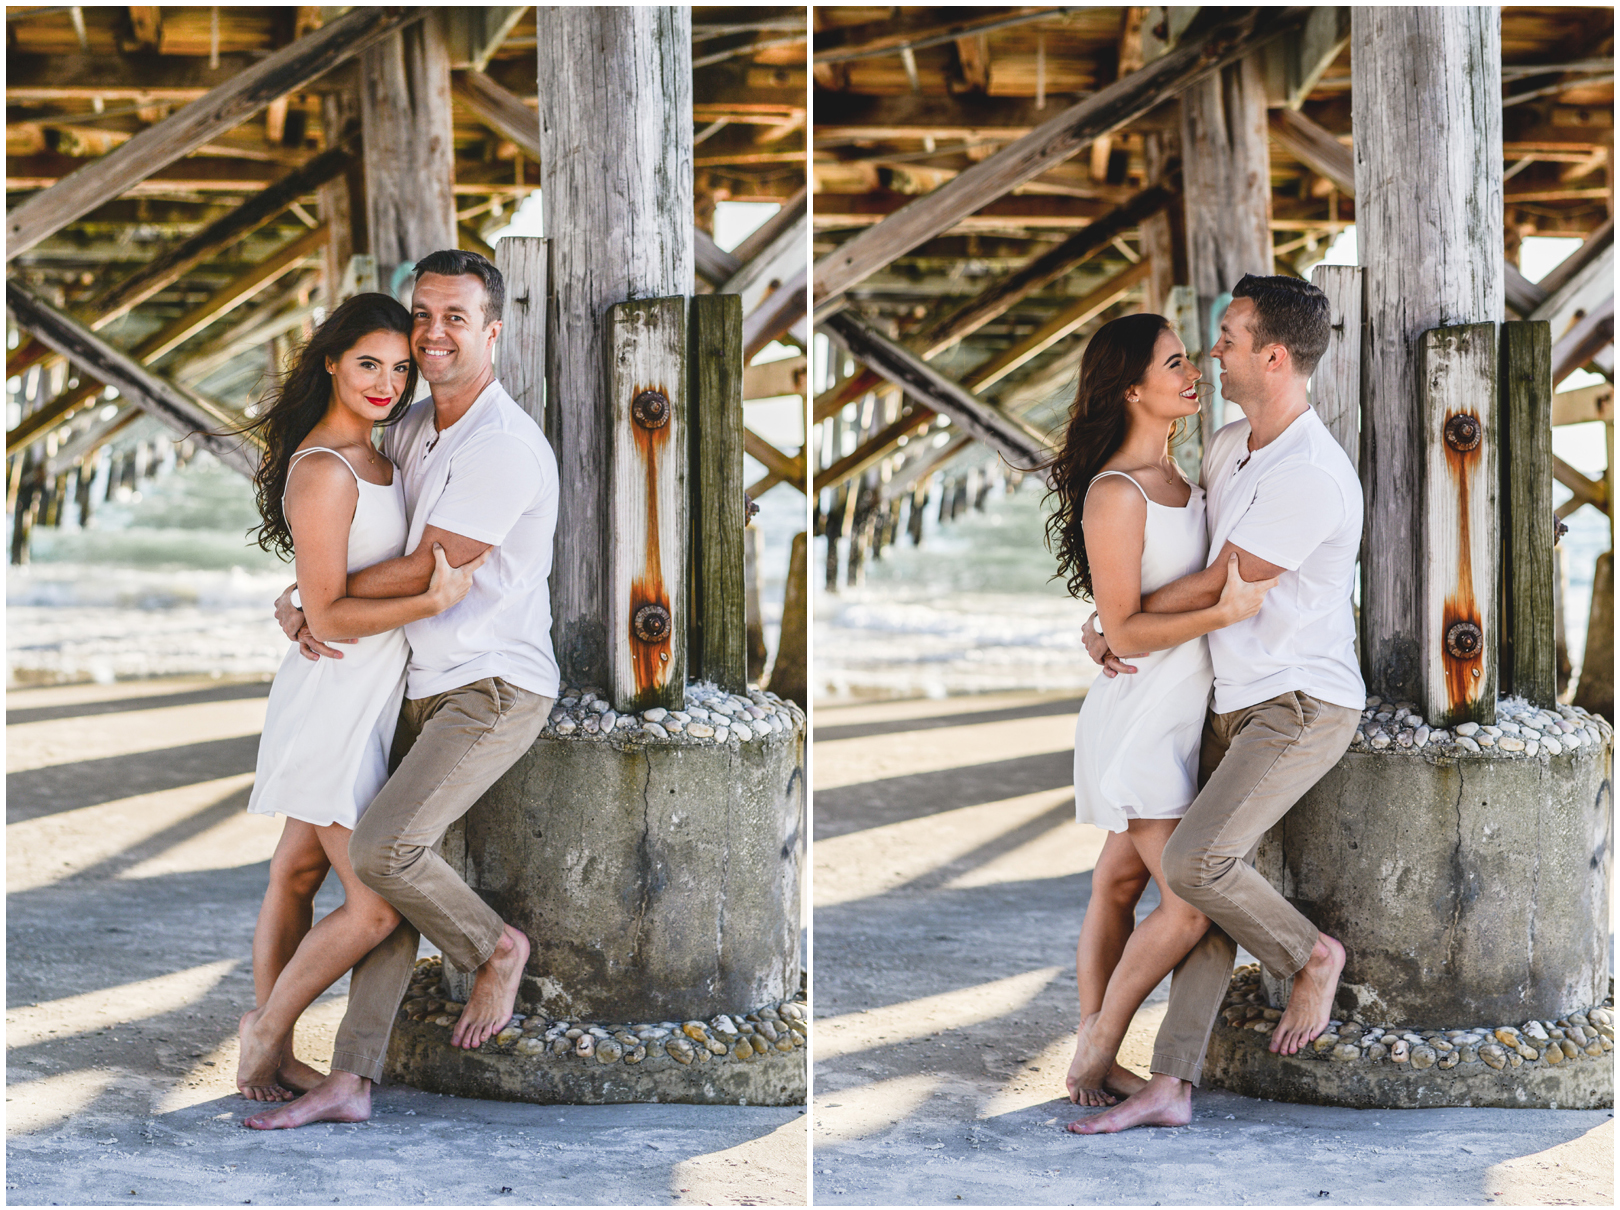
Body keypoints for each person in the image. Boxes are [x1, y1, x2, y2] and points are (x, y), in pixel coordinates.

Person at [244, 249, 560, 1130]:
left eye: (457, 317)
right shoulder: (414, 426)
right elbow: (352, 542)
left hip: (490, 686)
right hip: (409, 681)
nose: (432, 334)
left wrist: (323, 600)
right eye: (423, 315)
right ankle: (351, 1080)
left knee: (383, 857)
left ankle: (495, 947)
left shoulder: (500, 444)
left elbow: (427, 566)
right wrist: (314, 595)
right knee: (368, 878)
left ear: (493, 331)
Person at [1069, 274, 1364, 1134]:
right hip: (1218, 699)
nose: (1212, 351)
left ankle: (1311, 954)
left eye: (1227, 337)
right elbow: (1167, 568)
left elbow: (1214, 582)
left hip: (1295, 701)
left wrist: (1116, 624)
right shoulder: (1230, 445)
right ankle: (1172, 1084)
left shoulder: (1309, 472)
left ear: (1273, 355)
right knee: (1173, 886)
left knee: (1196, 871)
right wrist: (1111, 623)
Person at [232, 293, 486, 1103]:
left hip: (363, 692)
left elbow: (322, 584)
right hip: (333, 695)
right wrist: (431, 603)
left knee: (298, 871)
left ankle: (266, 1047)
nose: (386, 382)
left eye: (400, 367)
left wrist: (299, 596)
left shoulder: (382, 452)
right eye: (368, 363)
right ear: (331, 361)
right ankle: (265, 1032)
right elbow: (334, 609)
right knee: (376, 910)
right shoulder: (323, 467)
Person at [1043, 312, 1274, 1108]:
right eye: (1176, 364)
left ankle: (1092, 1049)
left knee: (1114, 884)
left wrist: (1112, 624)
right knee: (1183, 908)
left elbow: (1126, 612)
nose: (1194, 374)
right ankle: (1097, 1047)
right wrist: (1223, 616)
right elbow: (1132, 627)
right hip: (1141, 716)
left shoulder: (1190, 478)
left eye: (1190, 359)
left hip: (1182, 713)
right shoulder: (1115, 492)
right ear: (1132, 389)